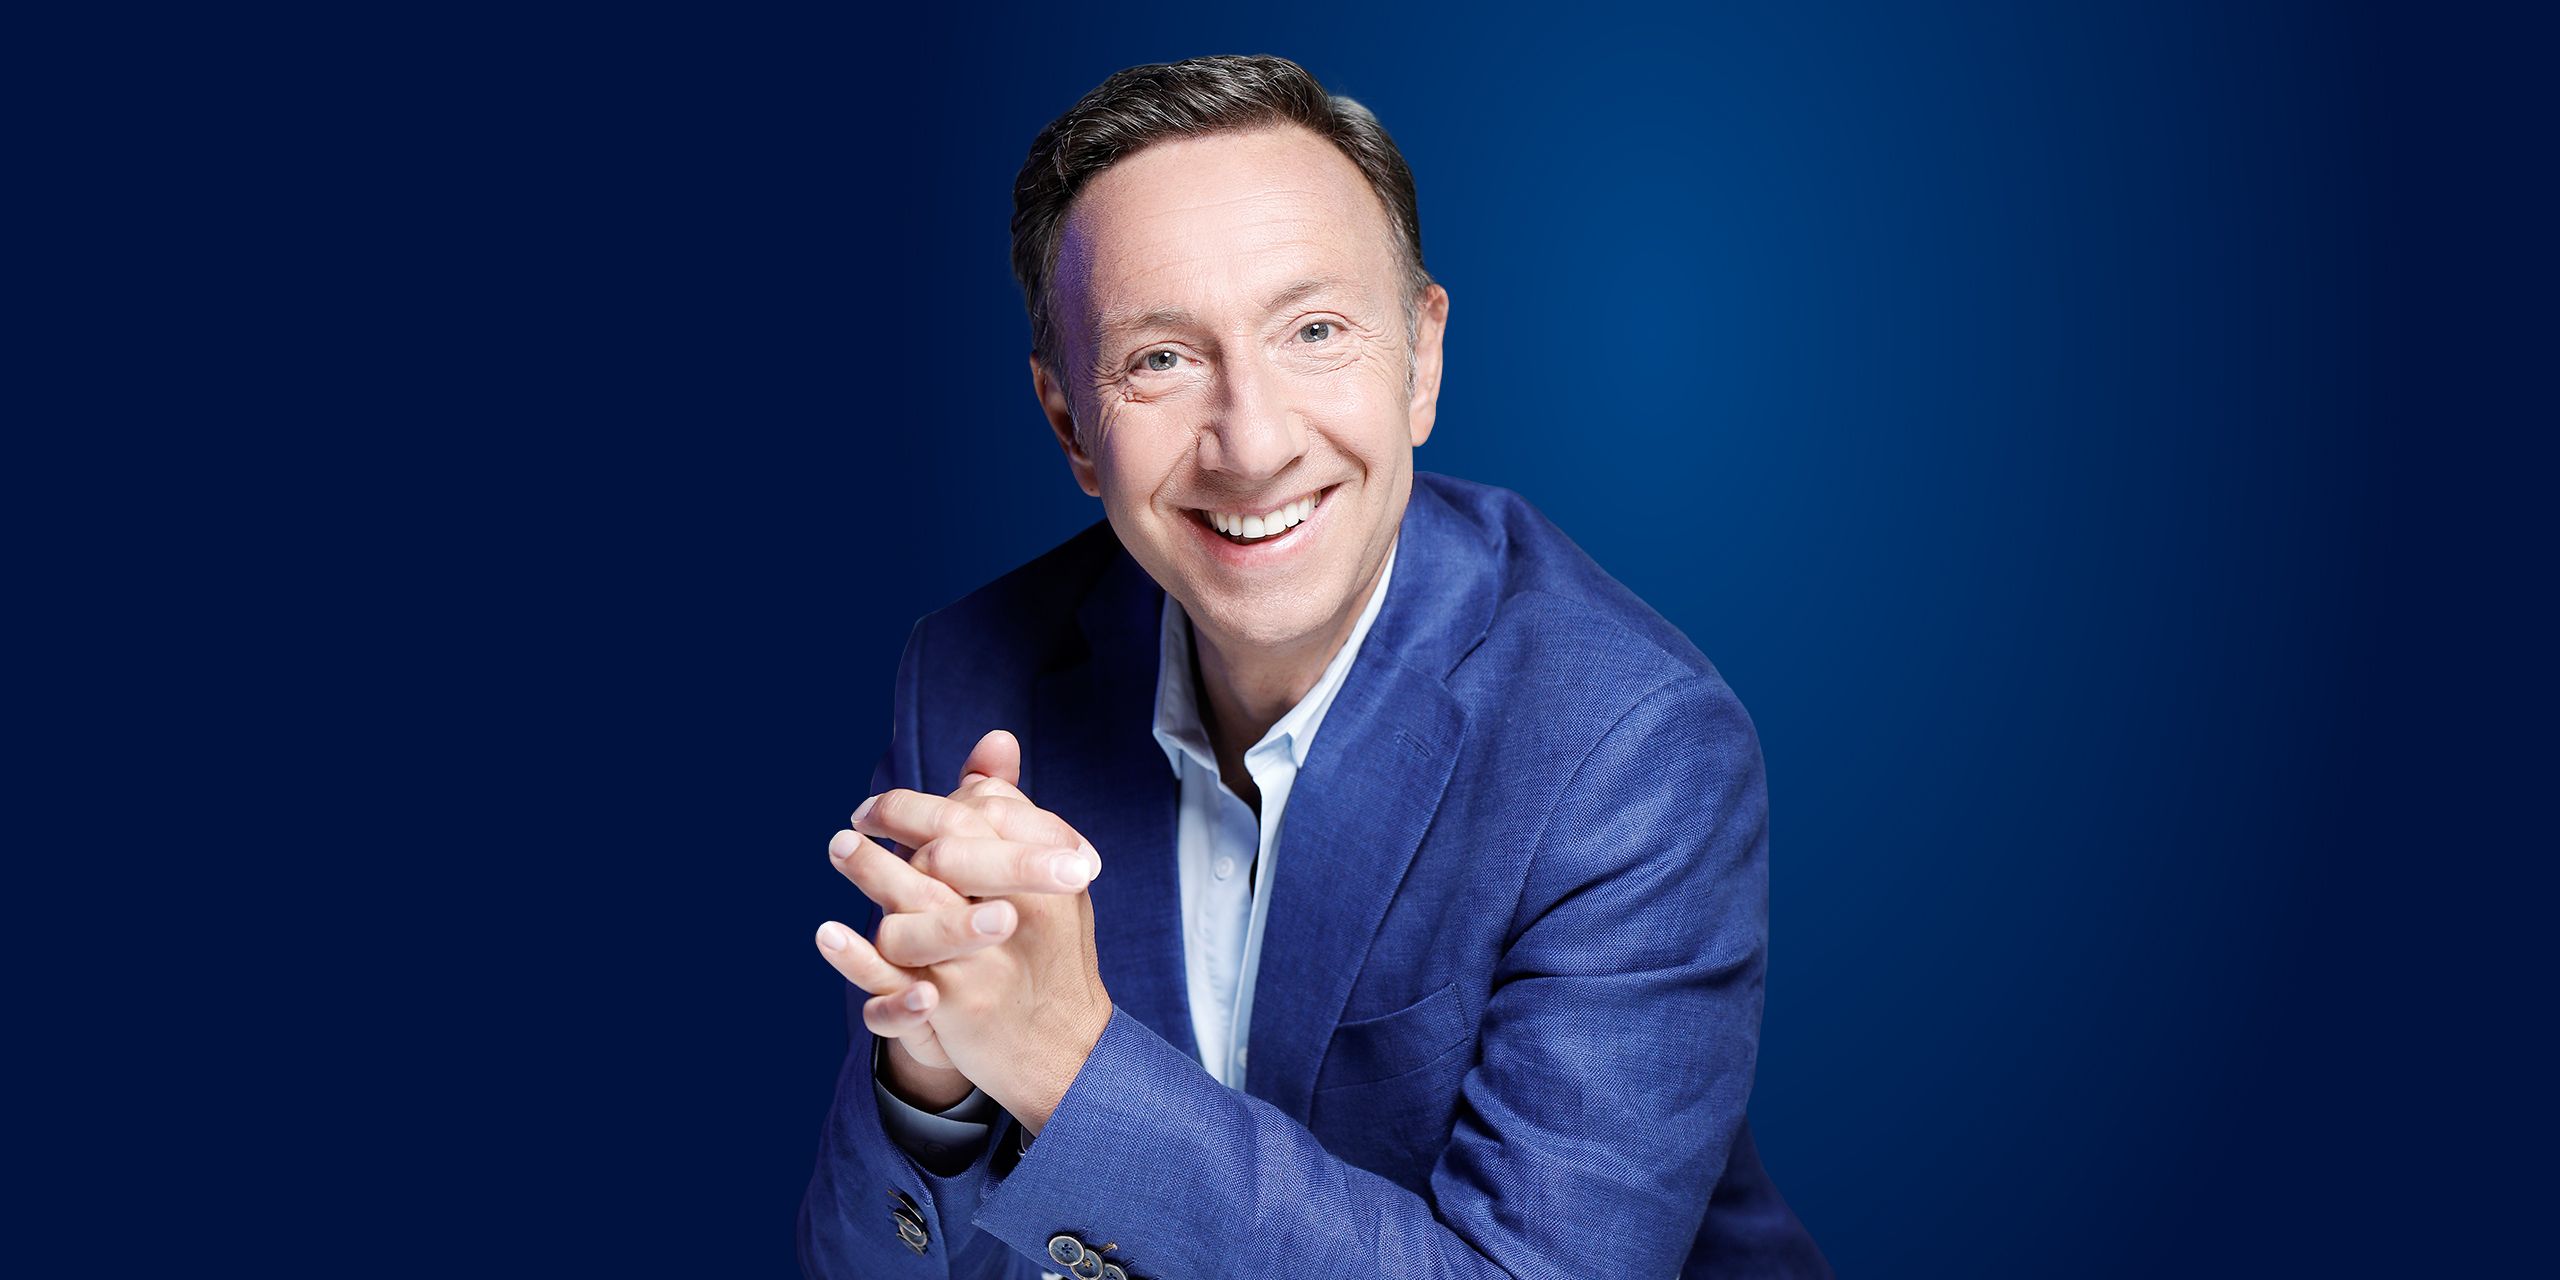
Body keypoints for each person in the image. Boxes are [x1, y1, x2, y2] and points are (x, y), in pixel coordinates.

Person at [800, 54, 1828, 1278]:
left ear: (1421, 362)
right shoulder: (968, 683)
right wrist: (933, 1080)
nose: (1253, 442)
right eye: (1160, 359)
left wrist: (1064, 1068)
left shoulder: (1630, 749)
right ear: (1071, 424)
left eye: (1315, 331)